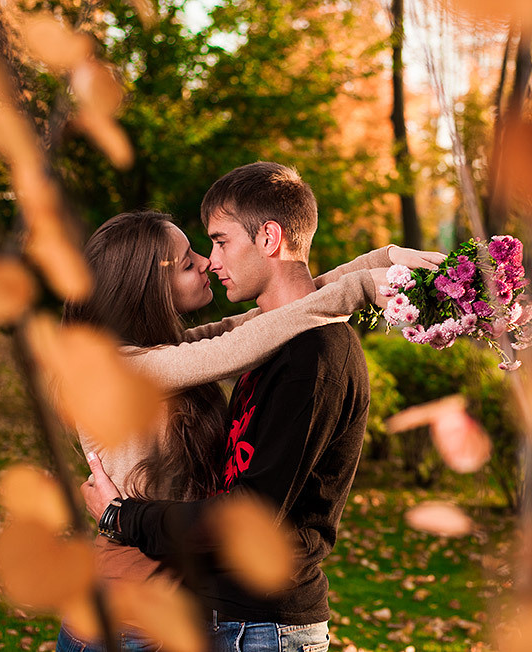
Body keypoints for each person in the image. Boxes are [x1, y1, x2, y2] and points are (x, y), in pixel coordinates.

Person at [61, 208, 442, 651]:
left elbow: (272, 316)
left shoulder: (152, 353)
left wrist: (379, 261)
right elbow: (238, 346)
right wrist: (358, 289)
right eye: (188, 263)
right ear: (146, 290)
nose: (206, 261)